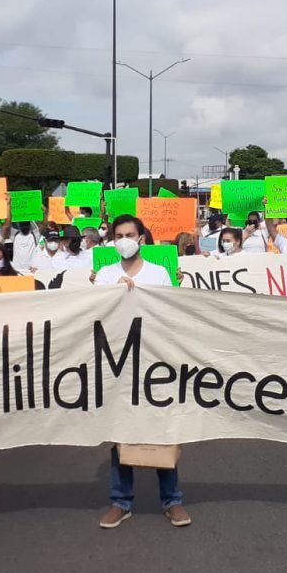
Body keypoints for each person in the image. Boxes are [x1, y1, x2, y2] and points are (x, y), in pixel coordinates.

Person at [94, 214, 190, 529]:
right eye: (118, 235)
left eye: (129, 234)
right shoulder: (105, 275)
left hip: (154, 362)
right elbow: (96, 317)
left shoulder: (158, 273)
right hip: (118, 363)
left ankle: (172, 500)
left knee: (163, 427)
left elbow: (170, 314)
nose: (124, 240)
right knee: (119, 432)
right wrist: (111, 294)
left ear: (141, 238)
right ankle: (120, 502)